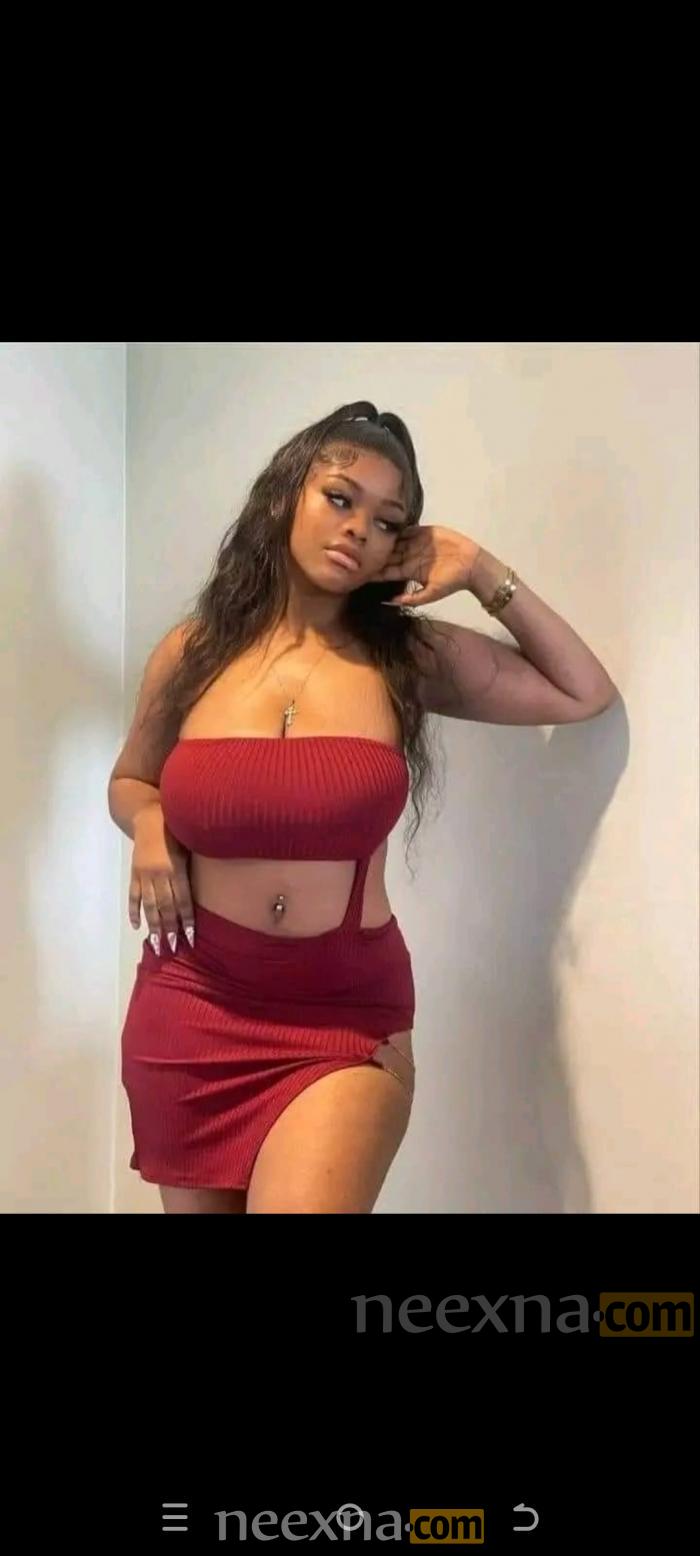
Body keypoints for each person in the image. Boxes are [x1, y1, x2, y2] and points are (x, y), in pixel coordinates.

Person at [108, 400, 618, 1214]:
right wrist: (149, 825)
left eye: (388, 521)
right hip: (193, 1003)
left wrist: (478, 567)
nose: (358, 529)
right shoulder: (193, 653)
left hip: (340, 1015)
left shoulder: (405, 659)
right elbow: (132, 779)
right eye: (340, 498)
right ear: (286, 495)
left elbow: (581, 690)